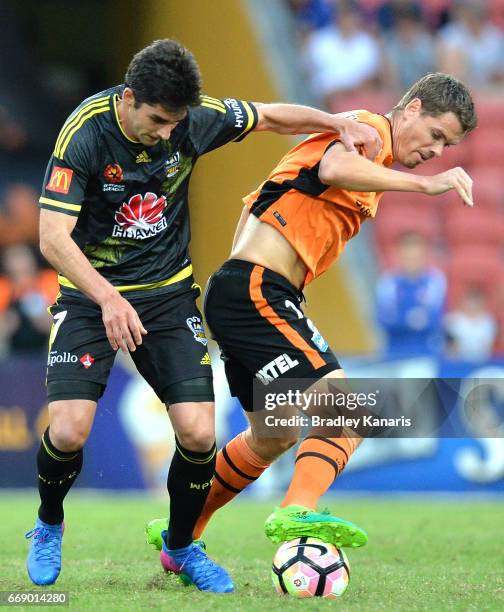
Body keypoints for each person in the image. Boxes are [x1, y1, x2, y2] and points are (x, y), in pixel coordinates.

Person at [24, 38, 382, 592]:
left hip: (167, 295)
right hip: (91, 295)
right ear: (128, 98)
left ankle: (182, 545)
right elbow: (52, 238)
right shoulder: (85, 135)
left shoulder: (193, 119)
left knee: (196, 433)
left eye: (176, 123)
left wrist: (334, 120)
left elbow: (269, 117)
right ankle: (49, 524)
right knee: (69, 430)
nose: (169, 133)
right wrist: (108, 298)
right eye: (159, 121)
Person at [146, 72, 477, 556]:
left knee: (272, 437)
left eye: (447, 146)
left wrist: (242, 269)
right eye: (436, 135)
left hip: (248, 289)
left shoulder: (376, 160)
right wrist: (426, 187)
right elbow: (332, 170)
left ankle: (181, 531)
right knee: (348, 410)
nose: (437, 152)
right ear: (411, 109)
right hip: (259, 289)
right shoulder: (366, 128)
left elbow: (256, 200)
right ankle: (296, 509)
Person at [376, 232, 447, 357]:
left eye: (416, 258)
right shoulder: (388, 282)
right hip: (394, 353)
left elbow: (436, 319)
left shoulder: (435, 280)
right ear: (400, 256)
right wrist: (412, 319)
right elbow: (383, 320)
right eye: (408, 258)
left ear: (424, 257)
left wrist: (403, 317)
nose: (412, 263)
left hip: (427, 354)